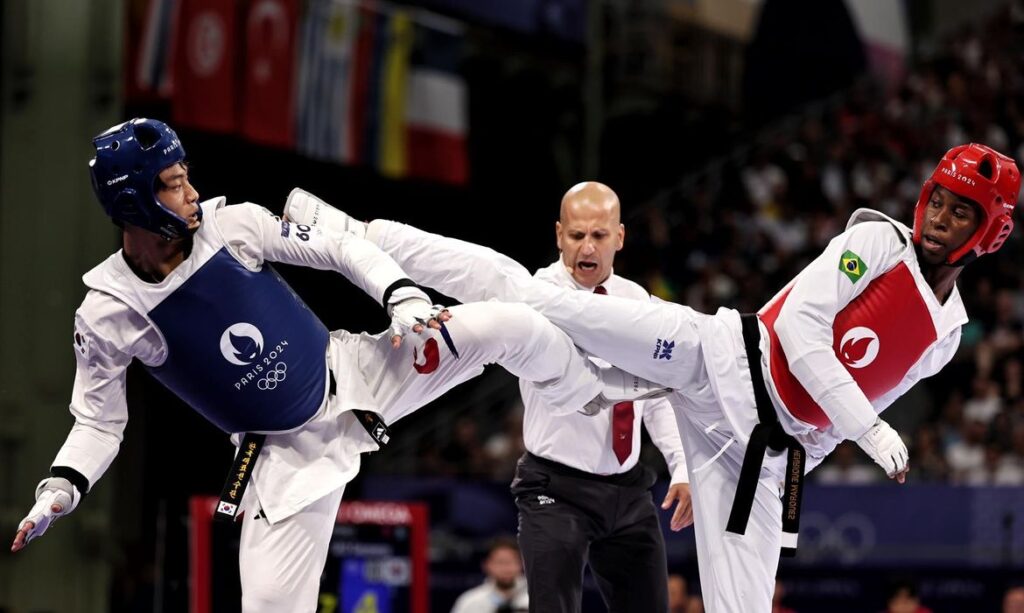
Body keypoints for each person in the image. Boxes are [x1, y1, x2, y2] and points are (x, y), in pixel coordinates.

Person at [286, 143, 1020, 612]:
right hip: (718, 360)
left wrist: (796, 458)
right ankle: (357, 236)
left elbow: (838, 415)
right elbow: (797, 331)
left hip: (757, 461)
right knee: (523, 297)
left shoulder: (947, 335)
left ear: (989, 231)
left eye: (963, 213)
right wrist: (873, 430)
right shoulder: (874, 240)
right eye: (940, 202)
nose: (941, 219)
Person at [8, 119, 664, 613]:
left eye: (186, 175)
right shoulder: (108, 312)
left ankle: (592, 389)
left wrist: (401, 295)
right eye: (173, 184)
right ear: (132, 200)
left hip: (361, 368)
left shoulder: (232, 224)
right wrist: (60, 486)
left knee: (512, 321)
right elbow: (98, 422)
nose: (191, 190)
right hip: (282, 455)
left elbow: (344, 251)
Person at [290, 181, 692, 612]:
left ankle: (361, 235)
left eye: (598, 235)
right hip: (557, 488)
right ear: (559, 235)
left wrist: (682, 466)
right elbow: (463, 269)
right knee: (494, 281)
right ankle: (358, 234)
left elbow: (661, 397)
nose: (586, 248)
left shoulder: (641, 303)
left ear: (620, 237)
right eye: (576, 236)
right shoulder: (537, 293)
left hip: (628, 487)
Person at [450, 537, 529, 613]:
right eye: (500, 562)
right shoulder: (470, 601)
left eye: (512, 562)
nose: (506, 568)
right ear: (486, 565)